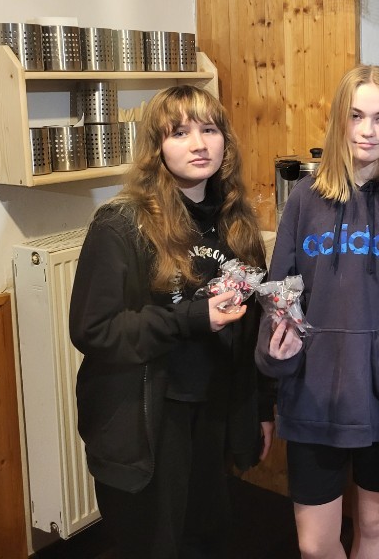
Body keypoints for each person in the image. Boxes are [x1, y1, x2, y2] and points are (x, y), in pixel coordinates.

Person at [69, 85, 272, 559]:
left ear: (225, 141)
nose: (199, 144)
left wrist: (261, 408)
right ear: (156, 147)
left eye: (209, 130)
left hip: (213, 413)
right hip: (149, 421)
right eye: (179, 133)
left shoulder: (236, 222)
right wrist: (192, 318)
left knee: (207, 541)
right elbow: (94, 330)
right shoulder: (121, 224)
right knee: (154, 545)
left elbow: (250, 328)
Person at [257, 65, 379, 559]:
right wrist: (273, 353)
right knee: (315, 544)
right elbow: (279, 296)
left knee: (374, 528)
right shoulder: (305, 199)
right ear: (340, 120)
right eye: (357, 116)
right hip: (313, 398)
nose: (368, 131)